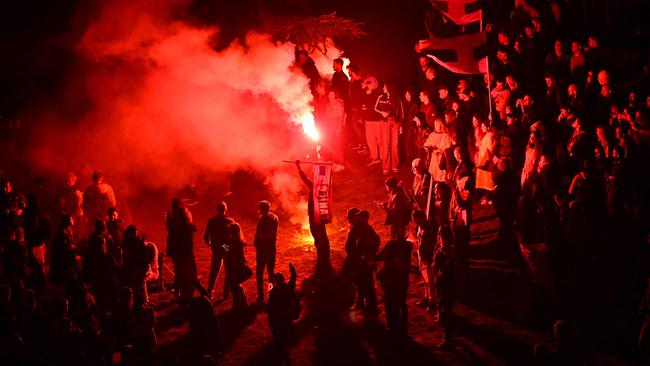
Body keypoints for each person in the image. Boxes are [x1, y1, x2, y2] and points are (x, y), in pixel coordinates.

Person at [295, 161, 331, 271]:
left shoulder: (316, 187)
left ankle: (322, 259)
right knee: (322, 237)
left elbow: (305, 179)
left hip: (315, 216)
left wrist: (298, 167)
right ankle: (324, 258)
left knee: (318, 237)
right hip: (321, 215)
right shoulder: (324, 187)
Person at [376, 233, 413, 338]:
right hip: (402, 280)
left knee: (391, 304)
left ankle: (393, 327)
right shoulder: (407, 247)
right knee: (401, 303)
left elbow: (382, 256)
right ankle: (402, 327)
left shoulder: (393, 246)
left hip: (393, 281)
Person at [166, 198, 199, 303]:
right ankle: (184, 290)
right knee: (186, 269)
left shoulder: (176, 217)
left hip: (180, 249)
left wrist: (168, 219)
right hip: (184, 249)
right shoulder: (182, 215)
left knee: (181, 269)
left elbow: (170, 230)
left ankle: (182, 291)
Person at [347, 210, 380, 315]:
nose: (357, 219)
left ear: (365, 219)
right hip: (360, 262)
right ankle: (362, 304)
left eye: (359, 217)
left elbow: (374, 243)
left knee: (368, 286)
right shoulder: (358, 228)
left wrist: (367, 257)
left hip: (365, 263)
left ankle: (372, 309)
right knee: (362, 284)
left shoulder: (368, 230)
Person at [267, 263, 299, 366]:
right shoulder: (287, 289)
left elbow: (270, 309)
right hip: (286, 319)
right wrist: (292, 271)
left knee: (279, 343)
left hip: (277, 321)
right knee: (284, 341)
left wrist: (270, 321)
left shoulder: (273, 293)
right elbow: (293, 279)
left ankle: (283, 357)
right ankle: (285, 359)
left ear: (275, 281)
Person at [203, 201, 234, 299]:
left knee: (214, 270)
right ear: (225, 209)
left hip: (216, 247)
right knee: (228, 269)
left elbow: (205, 236)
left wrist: (211, 244)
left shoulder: (211, 221)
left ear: (217, 209)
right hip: (226, 247)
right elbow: (234, 235)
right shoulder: (229, 221)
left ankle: (210, 290)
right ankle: (226, 292)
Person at [122, 225, 157, 306]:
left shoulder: (144, 245)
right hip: (135, 269)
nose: (132, 235)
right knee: (132, 278)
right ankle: (136, 300)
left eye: (134, 233)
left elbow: (147, 262)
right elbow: (128, 259)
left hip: (146, 269)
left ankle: (144, 300)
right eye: (131, 234)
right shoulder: (129, 244)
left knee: (140, 279)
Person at [434, 225, 456, 348]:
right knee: (445, 308)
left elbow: (437, 265)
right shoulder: (448, 248)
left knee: (446, 309)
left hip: (446, 283)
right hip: (446, 282)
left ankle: (449, 339)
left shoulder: (445, 250)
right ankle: (450, 334)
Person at [254, 200, 279, 304]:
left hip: (262, 251)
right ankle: (272, 294)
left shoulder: (262, 220)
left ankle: (260, 295)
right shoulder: (274, 217)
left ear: (262, 209)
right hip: (271, 249)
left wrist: (256, 241)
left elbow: (259, 236)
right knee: (270, 272)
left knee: (259, 273)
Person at [412, 210, 437, 312]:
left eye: (416, 219)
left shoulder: (429, 227)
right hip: (421, 257)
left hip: (428, 258)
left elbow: (431, 244)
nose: (414, 221)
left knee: (431, 281)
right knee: (425, 280)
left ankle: (433, 302)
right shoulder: (418, 227)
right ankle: (427, 298)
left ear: (422, 217)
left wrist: (428, 257)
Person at [224, 223, 250, 311]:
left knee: (233, 286)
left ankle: (237, 305)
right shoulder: (238, 240)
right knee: (235, 284)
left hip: (234, 266)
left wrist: (223, 245)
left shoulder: (234, 241)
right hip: (238, 265)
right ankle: (242, 302)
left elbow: (229, 252)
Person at [49, 215, 78, 285]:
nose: (72, 220)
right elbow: (64, 250)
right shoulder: (61, 235)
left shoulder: (65, 233)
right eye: (71, 219)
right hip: (61, 267)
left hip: (63, 265)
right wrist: (74, 249)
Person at [424, 118, 453, 183]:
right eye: (437, 125)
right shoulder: (432, 135)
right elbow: (427, 144)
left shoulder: (446, 136)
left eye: (440, 125)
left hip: (442, 160)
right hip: (434, 160)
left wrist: (439, 151)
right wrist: (428, 147)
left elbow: (448, 148)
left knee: (442, 177)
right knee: (434, 176)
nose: (439, 127)